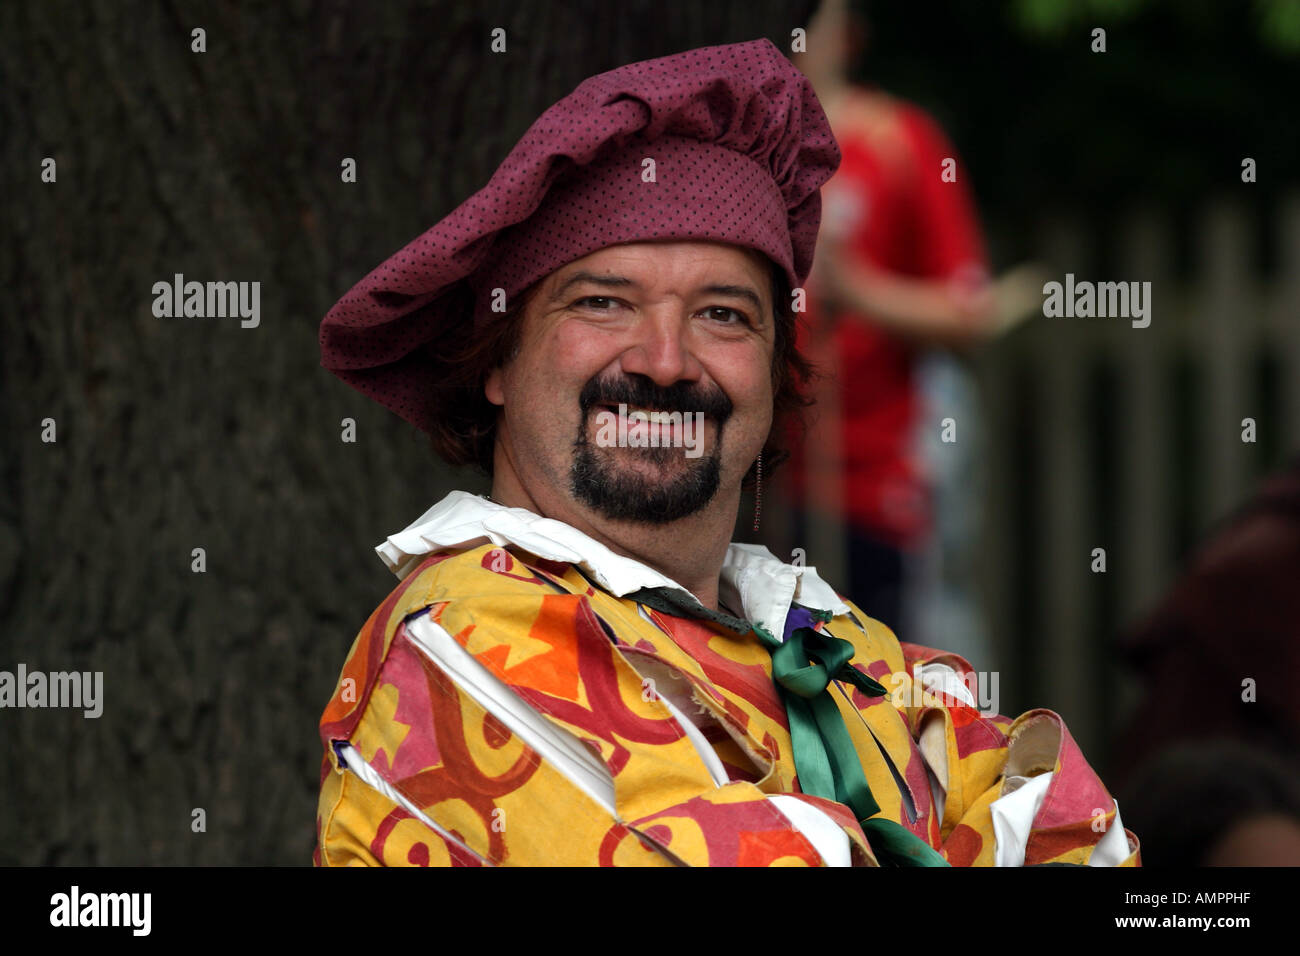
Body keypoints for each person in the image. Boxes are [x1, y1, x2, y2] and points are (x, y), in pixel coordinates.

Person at [314, 39, 1138, 867]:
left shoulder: (830, 639)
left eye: (724, 315)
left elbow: (1080, 827)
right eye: (602, 302)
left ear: (775, 376)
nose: (665, 361)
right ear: (495, 359)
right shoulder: (458, 645)